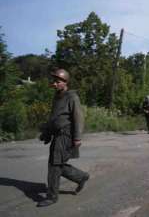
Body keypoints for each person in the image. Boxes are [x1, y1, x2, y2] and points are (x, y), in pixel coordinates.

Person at [37, 69, 90, 207]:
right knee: (57, 164)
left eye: (57, 81)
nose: (54, 84)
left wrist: (78, 137)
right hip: (57, 134)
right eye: (53, 81)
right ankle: (81, 176)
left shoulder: (72, 97)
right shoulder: (57, 97)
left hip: (66, 135)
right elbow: (54, 118)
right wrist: (47, 132)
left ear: (65, 82)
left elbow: (79, 118)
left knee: (54, 165)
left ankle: (52, 196)